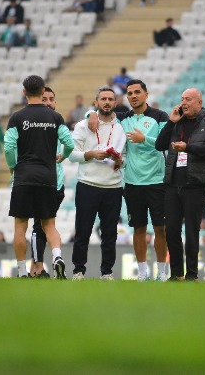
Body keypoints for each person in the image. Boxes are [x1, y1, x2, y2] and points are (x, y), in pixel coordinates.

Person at [88, 79, 170, 281]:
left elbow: (166, 142)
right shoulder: (122, 118)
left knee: (160, 228)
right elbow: (102, 114)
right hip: (133, 183)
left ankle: (162, 271)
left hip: (157, 181)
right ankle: (142, 273)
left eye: (137, 92)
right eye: (129, 93)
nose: (133, 96)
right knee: (139, 228)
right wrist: (89, 113)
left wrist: (145, 139)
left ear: (146, 95)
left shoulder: (160, 116)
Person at [5, 75, 74, 279]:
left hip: (24, 177)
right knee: (49, 224)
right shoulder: (55, 117)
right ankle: (57, 257)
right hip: (48, 177)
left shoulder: (16, 118)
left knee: (20, 226)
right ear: (42, 90)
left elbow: (9, 147)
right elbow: (69, 144)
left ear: (24, 92)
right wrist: (62, 157)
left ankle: (21, 272)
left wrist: (12, 167)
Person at [155, 88, 205, 281]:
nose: (184, 103)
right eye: (182, 99)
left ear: (199, 102)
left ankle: (192, 274)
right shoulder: (178, 122)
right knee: (172, 230)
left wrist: (188, 147)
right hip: (173, 184)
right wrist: (171, 122)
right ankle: (176, 274)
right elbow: (159, 145)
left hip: (196, 185)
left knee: (192, 231)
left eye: (188, 99)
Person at [69, 87, 126, 280]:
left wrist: (120, 161)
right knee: (82, 231)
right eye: (103, 99)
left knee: (110, 234)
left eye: (111, 99)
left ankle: (107, 272)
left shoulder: (121, 128)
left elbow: (125, 157)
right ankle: (78, 270)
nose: (107, 102)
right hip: (88, 184)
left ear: (115, 103)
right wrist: (91, 154)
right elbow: (72, 153)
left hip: (113, 187)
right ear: (96, 103)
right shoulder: (83, 125)